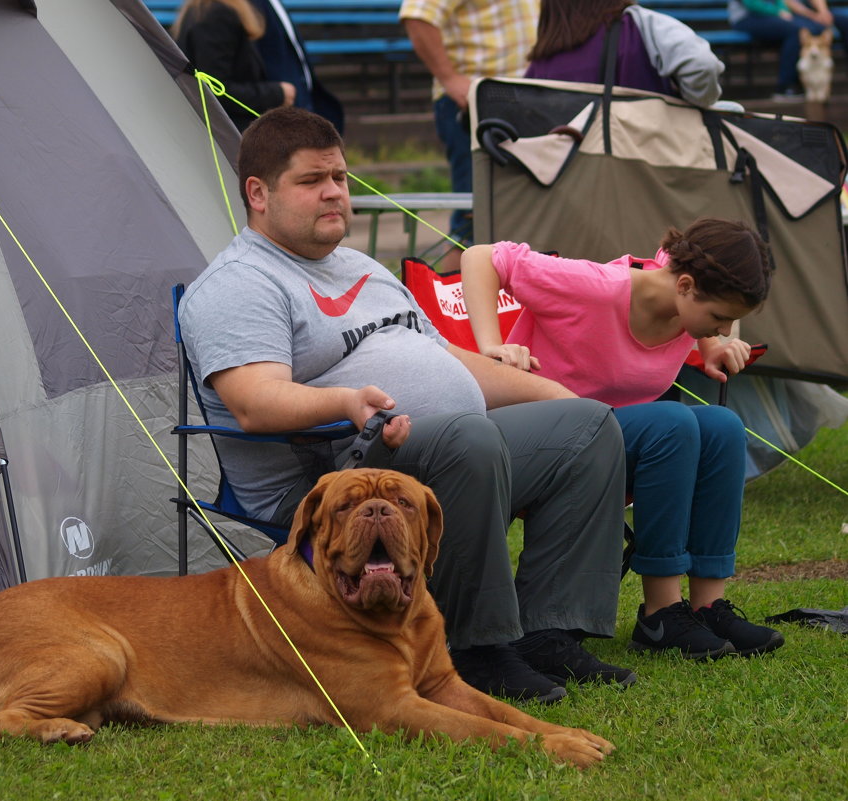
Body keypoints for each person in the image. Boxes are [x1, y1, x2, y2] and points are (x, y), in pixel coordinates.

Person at [179, 106, 636, 705]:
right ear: (258, 193)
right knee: (469, 439)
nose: (335, 194)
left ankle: (549, 632)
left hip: (438, 448)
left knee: (588, 426)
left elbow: (445, 358)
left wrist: (554, 395)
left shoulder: (361, 267)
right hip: (331, 476)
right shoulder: (241, 283)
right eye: (312, 181)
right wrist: (344, 400)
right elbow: (255, 402)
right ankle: (476, 649)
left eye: (340, 178)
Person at [459, 218, 786, 660]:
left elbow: (706, 260)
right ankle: (661, 613)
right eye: (719, 319)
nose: (725, 330)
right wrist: (490, 348)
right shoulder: (594, 287)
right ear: (685, 286)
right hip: (537, 439)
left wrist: (711, 343)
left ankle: (708, 605)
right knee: (671, 422)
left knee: (722, 427)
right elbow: (481, 257)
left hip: (605, 441)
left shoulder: (681, 283)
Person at [400, 0, 539, 258]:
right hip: (475, 103)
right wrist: (449, 78)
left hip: (522, 101)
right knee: (473, 222)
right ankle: (451, 298)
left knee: (514, 222)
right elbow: (417, 16)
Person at [526, 0, 727, 108]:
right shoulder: (640, 24)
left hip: (574, 177)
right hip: (646, 164)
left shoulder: (542, 58)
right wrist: (697, 103)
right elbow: (701, 65)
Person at [172, 0, 296, 131]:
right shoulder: (217, 13)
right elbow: (217, 90)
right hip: (226, 133)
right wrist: (277, 94)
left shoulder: (206, 9)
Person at [249, 0, 345, 133]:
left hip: (302, 106)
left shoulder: (274, 4)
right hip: (281, 117)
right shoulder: (249, 7)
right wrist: (276, 93)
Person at [728, 0, 848, 99]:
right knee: (797, 31)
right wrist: (778, 12)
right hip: (747, 18)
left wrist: (783, 10)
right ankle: (784, 87)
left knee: (813, 28)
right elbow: (752, 4)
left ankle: (809, 84)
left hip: (774, 15)